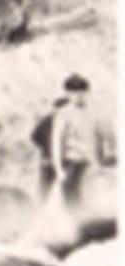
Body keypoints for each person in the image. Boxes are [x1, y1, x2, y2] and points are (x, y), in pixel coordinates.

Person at [47, 73, 112, 207]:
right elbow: (56, 143)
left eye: (82, 92)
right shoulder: (63, 114)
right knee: (72, 204)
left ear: (87, 92)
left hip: (94, 165)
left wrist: (103, 162)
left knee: (97, 204)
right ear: (67, 94)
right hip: (73, 165)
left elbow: (104, 138)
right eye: (74, 93)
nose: (78, 96)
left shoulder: (96, 113)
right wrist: (59, 170)